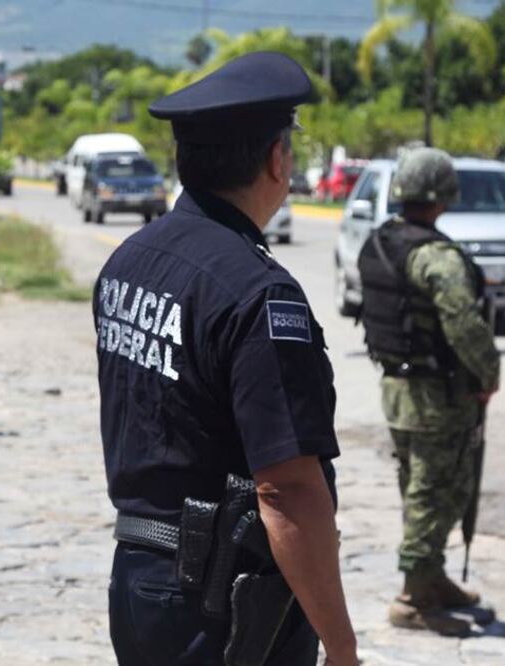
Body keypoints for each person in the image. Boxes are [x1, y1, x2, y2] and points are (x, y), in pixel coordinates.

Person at [94, 52, 358, 665]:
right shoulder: (258, 294)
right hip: (222, 607)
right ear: (276, 160)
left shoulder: (131, 258)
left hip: (140, 581)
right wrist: (342, 649)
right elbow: (287, 489)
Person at [356, 148, 500, 637]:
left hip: (398, 391)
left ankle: (431, 576)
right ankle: (414, 597)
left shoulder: (382, 242)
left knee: (421, 489)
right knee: (435, 493)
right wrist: (488, 373)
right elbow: (464, 323)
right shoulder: (435, 256)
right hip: (437, 398)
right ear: (443, 195)